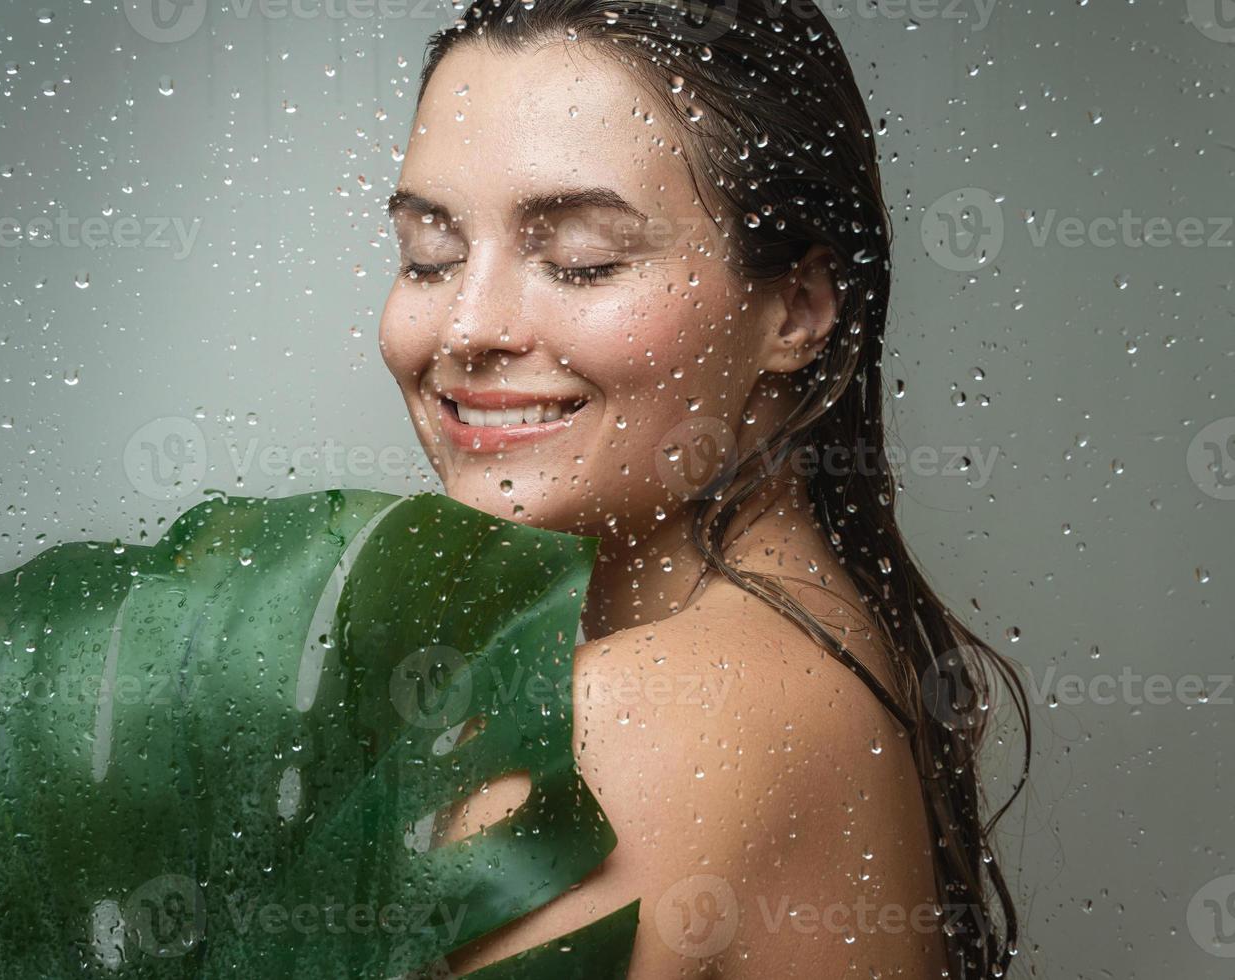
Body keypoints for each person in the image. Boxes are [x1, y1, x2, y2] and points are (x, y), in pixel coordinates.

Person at [378, 1, 1030, 976]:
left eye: (579, 261)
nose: (467, 325)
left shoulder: (635, 717)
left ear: (798, 309)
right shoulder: (829, 644)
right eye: (430, 255)